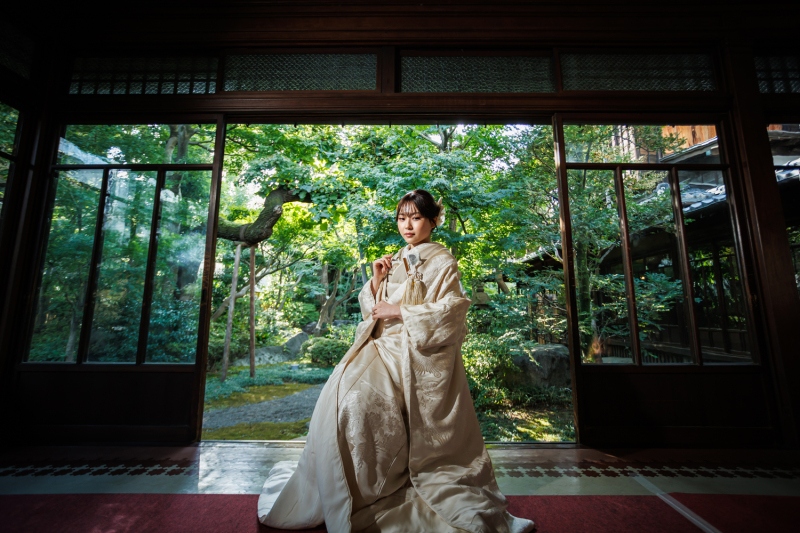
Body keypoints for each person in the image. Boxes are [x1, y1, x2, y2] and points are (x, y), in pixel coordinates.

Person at [258, 190, 535, 533]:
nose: (407, 225)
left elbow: (452, 312)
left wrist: (400, 311)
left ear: (434, 221)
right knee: (344, 401)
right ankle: (355, 490)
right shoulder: (395, 258)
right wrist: (376, 280)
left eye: (416, 217)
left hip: (415, 355)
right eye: (402, 217)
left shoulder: (443, 262)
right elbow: (374, 309)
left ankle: (381, 484)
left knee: (357, 403)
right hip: (381, 346)